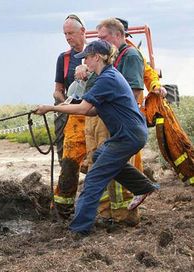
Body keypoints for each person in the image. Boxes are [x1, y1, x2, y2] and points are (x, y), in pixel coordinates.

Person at [35, 39, 159, 235]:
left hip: (128, 135)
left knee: (93, 179)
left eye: (87, 58)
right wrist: (60, 107)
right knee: (99, 155)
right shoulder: (106, 77)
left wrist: (51, 107)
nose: (84, 63)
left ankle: (79, 228)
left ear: (98, 57)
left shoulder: (106, 79)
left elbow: (84, 108)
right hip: (127, 133)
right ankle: (143, 187)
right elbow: (92, 111)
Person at [52, 14, 88, 218]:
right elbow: (58, 88)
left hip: (93, 114)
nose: (68, 38)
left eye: (71, 33)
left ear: (82, 32)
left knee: (98, 160)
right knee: (67, 161)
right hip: (71, 114)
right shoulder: (64, 59)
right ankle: (64, 209)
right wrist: (61, 100)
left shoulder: (97, 53)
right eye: (65, 34)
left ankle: (98, 205)